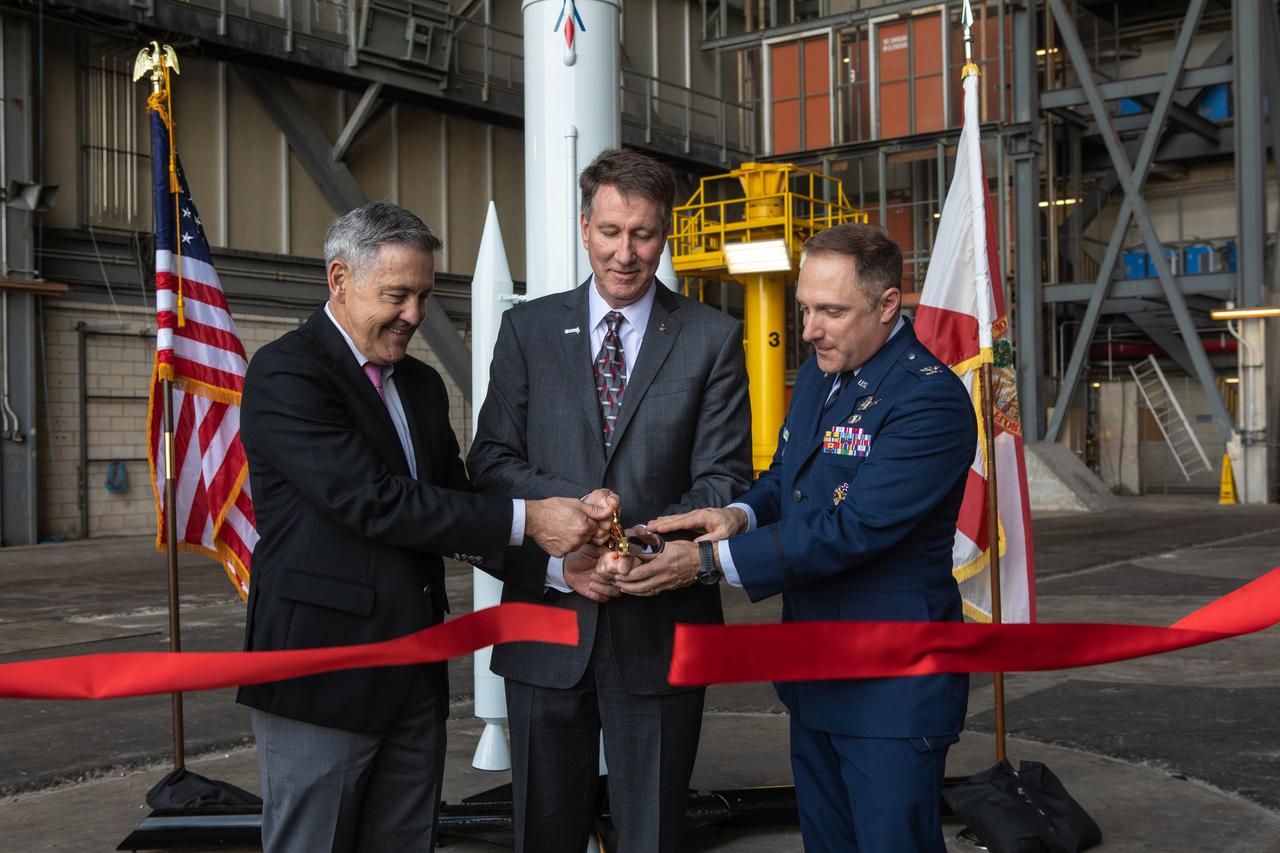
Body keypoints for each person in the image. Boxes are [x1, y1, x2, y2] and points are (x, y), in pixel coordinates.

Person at [236, 202, 615, 853]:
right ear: (339, 280)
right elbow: (375, 502)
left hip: (414, 675)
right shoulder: (286, 374)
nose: (414, 314)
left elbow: (454, 508)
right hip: (323, 675)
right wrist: (532, 516)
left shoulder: (419, 383)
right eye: (397, 295)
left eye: (423, 295)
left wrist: (555, 562)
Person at [635, 223, 977, 852]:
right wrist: (738, 514)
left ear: (887, 305)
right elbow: (788, 476)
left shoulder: (931, 402)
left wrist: (709, 563)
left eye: (832, 311)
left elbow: (856, 528)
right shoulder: (827, 371)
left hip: (889, 690)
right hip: (815, 673)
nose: (811, 329)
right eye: (805, 310)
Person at [466, 147, 752, 853]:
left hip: (660, 626)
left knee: (652, 834)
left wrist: (636, 547)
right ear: (585, 227)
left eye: (644, 234)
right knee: (544, 832)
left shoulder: (712, 338)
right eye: (611, 231)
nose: (625, 253)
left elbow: (724, 478)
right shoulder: (527, 332)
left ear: (665, 234)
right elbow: (491, 464)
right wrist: (571, 540)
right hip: (546, 623)